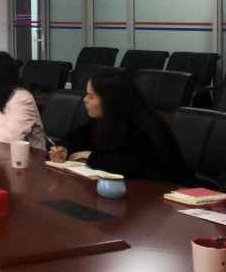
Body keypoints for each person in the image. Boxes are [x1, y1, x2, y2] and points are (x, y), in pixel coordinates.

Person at [48, 68, 194, 185]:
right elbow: (76, 139)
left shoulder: (144, 127)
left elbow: (133, 167)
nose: (85, 100)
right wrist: (64, 149)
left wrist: (90, 156)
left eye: (91, 96)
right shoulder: (102, 120)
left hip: (166, 197)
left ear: (110, 100)